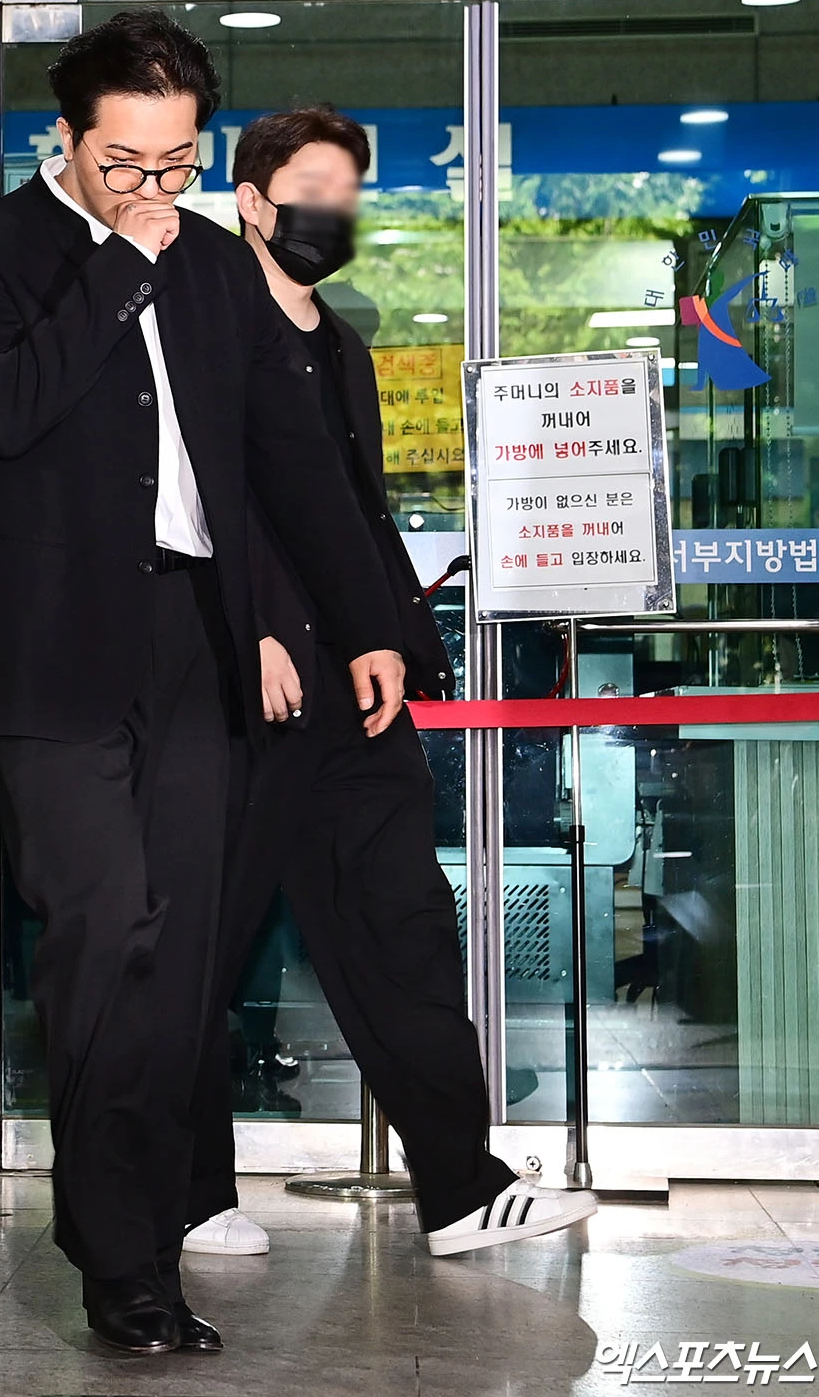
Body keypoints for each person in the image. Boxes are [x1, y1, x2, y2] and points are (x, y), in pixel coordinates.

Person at [0, 14, 406, 1357]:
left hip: (194, 640)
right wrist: (120, 262)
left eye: (176, 163)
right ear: (66, 140)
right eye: (126, 163)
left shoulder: (217, 266)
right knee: (106, 932)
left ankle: (141, 1243)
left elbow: (286, 460)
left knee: (179, 956)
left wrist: (361, 624)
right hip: (49, 650)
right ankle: (117, 1254)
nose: (153, 186)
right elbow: (6, 410)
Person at [182, 107, 598, 1261]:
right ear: (252, 200)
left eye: (348, 191)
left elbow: (351, 518)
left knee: (403, 925)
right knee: (209, 940)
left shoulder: (343, 345)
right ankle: (188, 1190)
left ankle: (460, 1185)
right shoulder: (207, 330)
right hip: (243, 681)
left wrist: (384, 637)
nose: (335, 210)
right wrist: (257, 628)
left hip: (353, 688)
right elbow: (210, 503)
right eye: (312, 186)